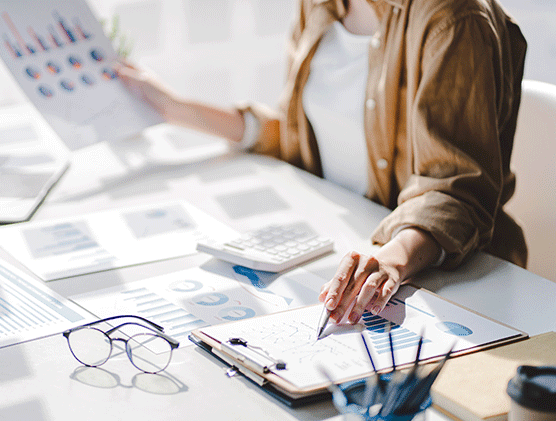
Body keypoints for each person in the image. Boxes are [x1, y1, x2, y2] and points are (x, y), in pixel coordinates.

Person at [117, 0, 528, 327]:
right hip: (345, 250)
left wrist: (390, 260)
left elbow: (456, 190)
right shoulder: (318, 5)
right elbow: (304, 132)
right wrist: (172, 108)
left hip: (449, 280)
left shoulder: (455, 15)